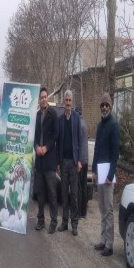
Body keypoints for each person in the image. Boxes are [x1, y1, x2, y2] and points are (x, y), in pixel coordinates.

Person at [92, 92, 119, 257]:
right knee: (102, 208)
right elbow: (96, 150)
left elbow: (115, 154)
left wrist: (110, 175)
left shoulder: (114, 125)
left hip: (108, 174)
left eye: (106, 105)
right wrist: (94, 171)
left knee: (108, 209)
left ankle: (109, 244)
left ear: (110, 106)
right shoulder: (100, 125)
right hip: (99, 172)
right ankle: (102, 240)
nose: (104, 107)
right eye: (102, 105)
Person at [34, 87, 59, 234]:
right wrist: (36, 146)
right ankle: (40, 220)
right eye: (41, 97)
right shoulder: (37, 115)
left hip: (49, 160)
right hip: (39, 161)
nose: (43, 99)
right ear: (39, 100)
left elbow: (55, 135)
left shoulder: (53, 114)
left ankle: (54, 221)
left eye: (45, 97)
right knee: (40, 192)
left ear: (47, 98)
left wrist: (46, 148)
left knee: (52, 192)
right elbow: (34, 136)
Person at [57, 90, 82, 236]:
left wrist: (79, 160)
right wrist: (58, 162)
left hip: (73, 162)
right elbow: (58, 142)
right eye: (66, 100)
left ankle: (75, 224)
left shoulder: (77, 118)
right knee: (64, 194)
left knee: (74, 194)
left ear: (72, 102)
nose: (67, 103)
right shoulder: (60, 119)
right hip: (63, 161)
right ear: (64, 101)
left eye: (69, 100)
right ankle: (64, 222)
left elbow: (79, 139)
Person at [76, 107, 88, 218]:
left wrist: (77, 159)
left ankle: (79, 212)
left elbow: (78, 143)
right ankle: (84, 212)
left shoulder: (78, 124)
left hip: (80, 160)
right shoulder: (85, 123)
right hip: (86, 160)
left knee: (78, 186)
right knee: (84, 186)